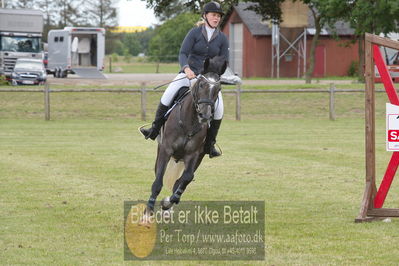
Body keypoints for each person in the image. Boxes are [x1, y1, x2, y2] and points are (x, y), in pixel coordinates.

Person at [140, 1, 229, 158]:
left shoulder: (222, 38)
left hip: (208, 81)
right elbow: (183, 53)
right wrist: (186, 69)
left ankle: (209, 145)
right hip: (189, 74)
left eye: (218, 16)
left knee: (219, 110)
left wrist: (215, 76)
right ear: (205, 16)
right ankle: (154, 129)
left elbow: (223, 61)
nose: (216, 18)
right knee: (168, 95)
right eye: (214, 15)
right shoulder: (194, 33)